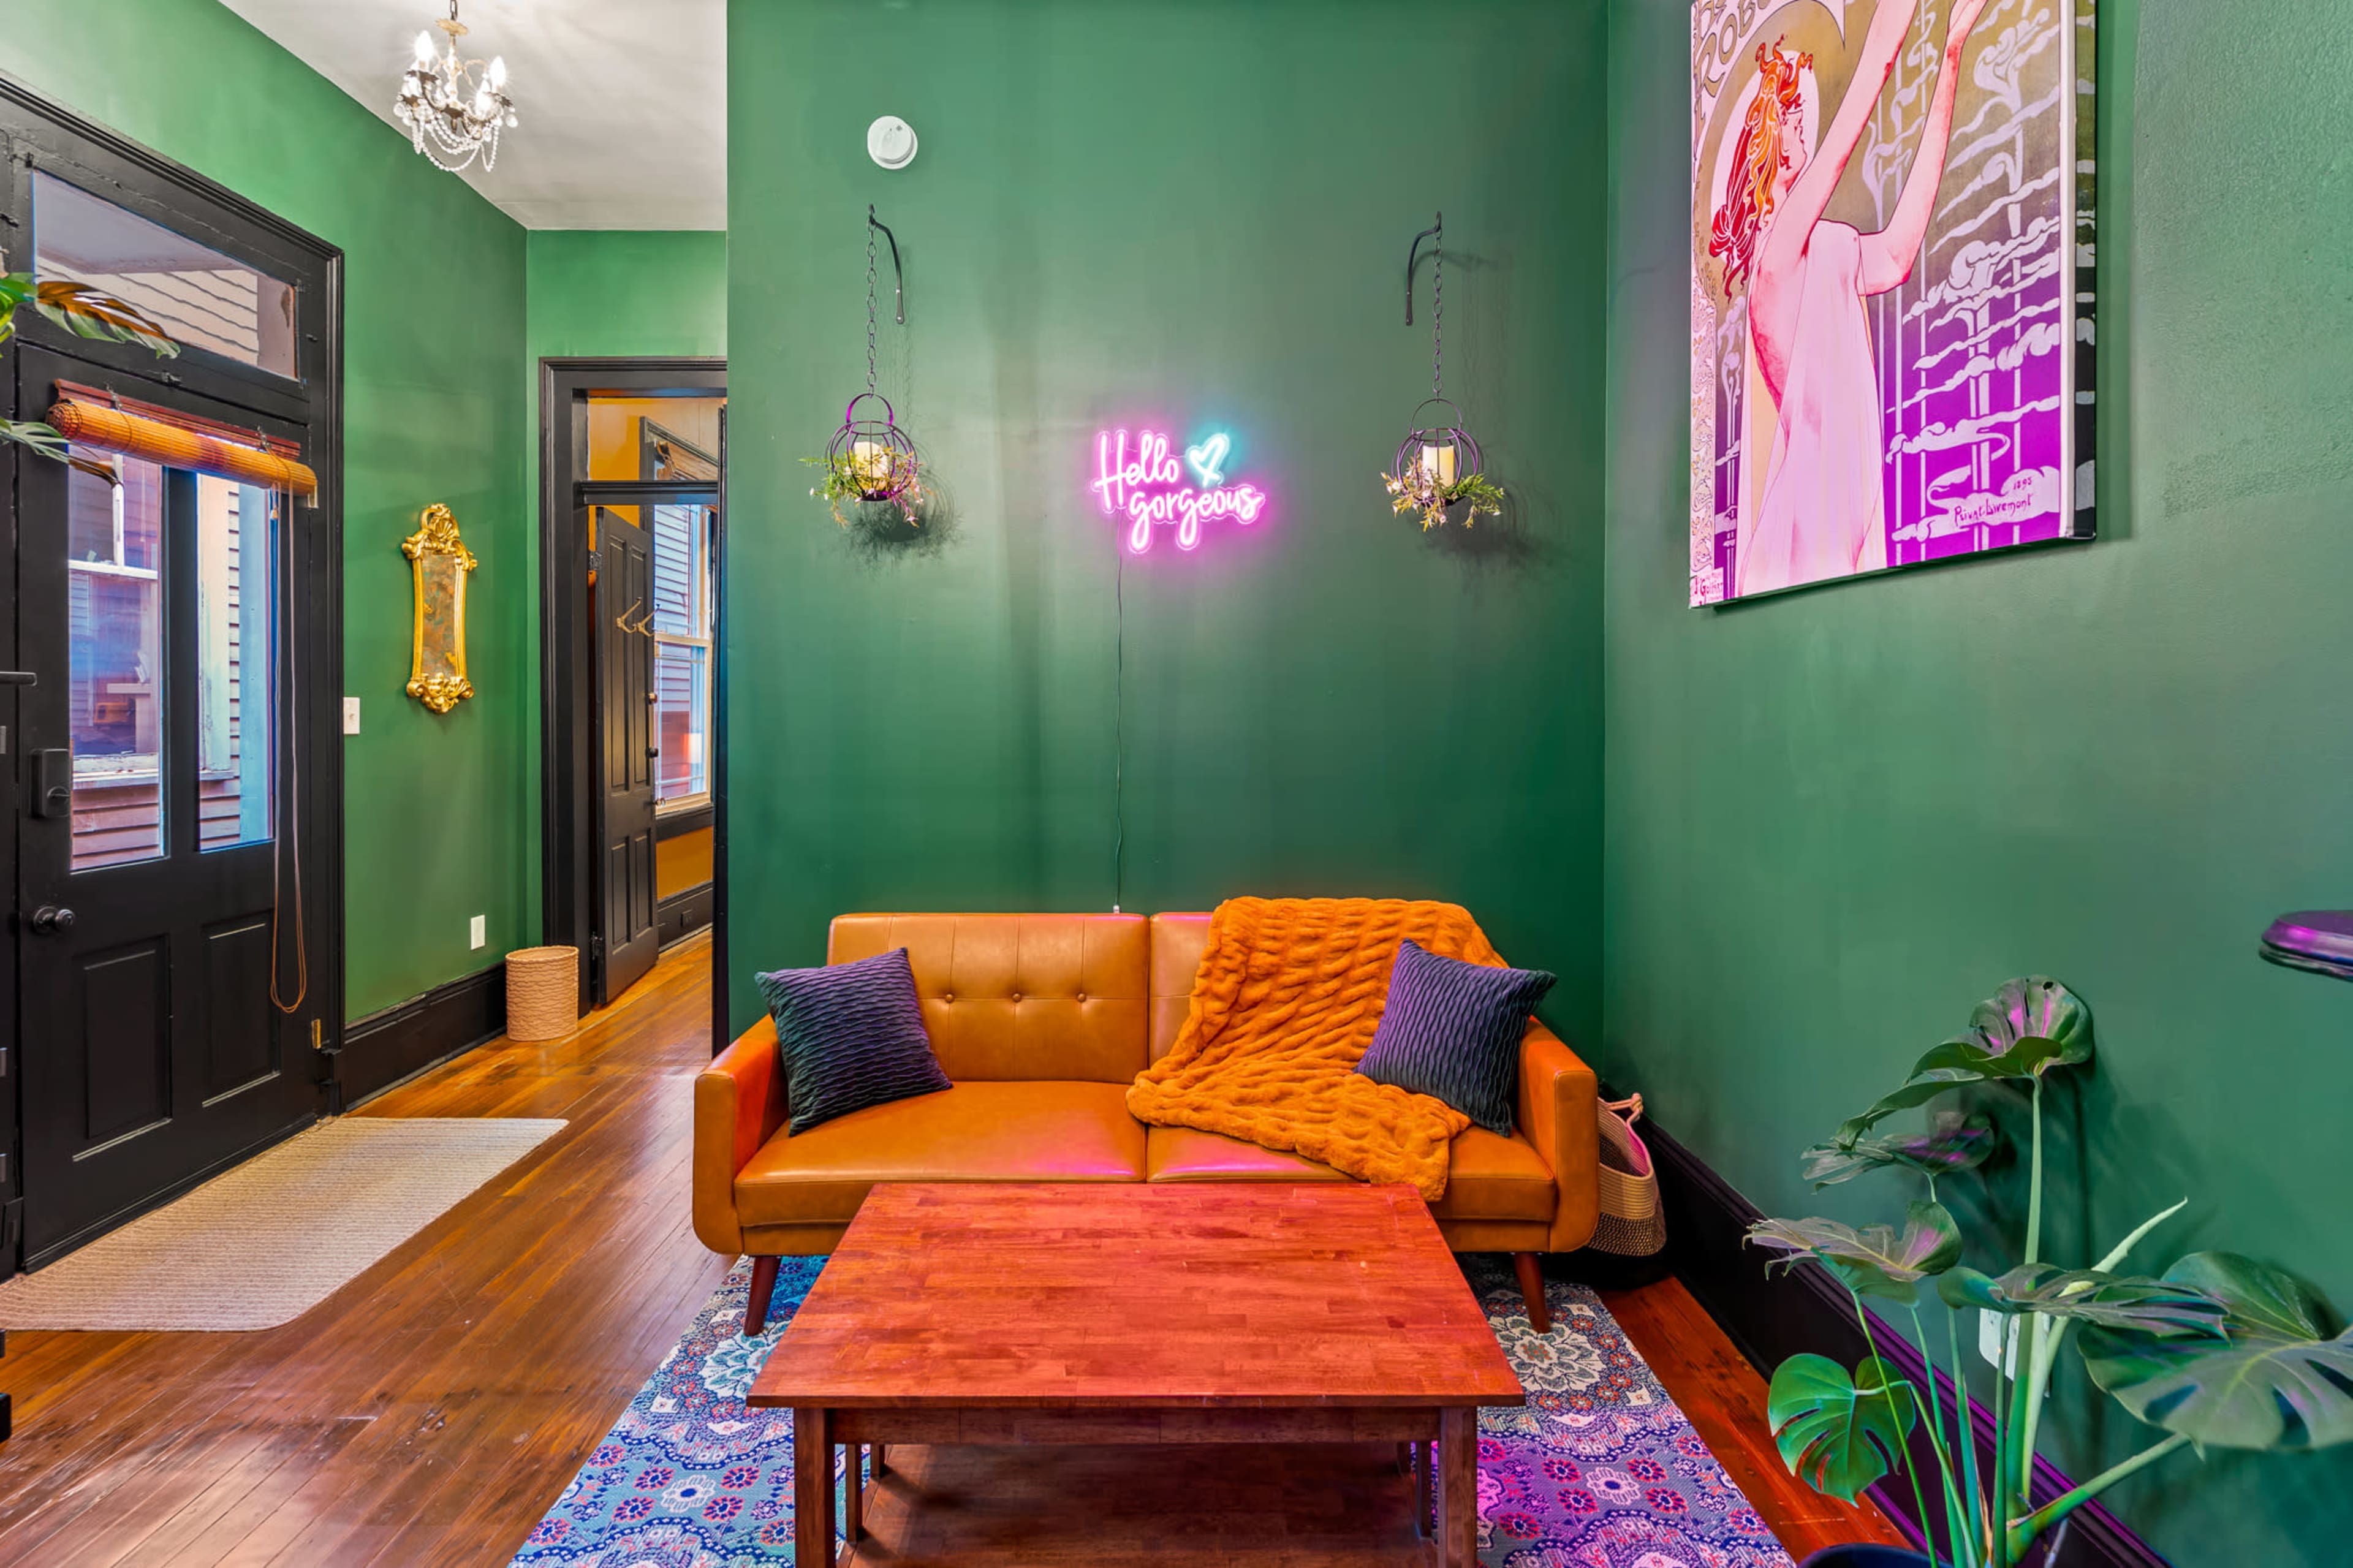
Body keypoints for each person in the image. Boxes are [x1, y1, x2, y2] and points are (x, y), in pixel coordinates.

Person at [1709, 0, 1991, 595]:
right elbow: (1858, 107)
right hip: (1808, 527)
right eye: (1787, 113)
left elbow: (1897, 255)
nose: (1799, 121)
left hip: (1843, 521)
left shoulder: (1826, 248)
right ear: (1765, 140)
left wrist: (1949, 59)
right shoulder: (1777, 256)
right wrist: (1887, 41)